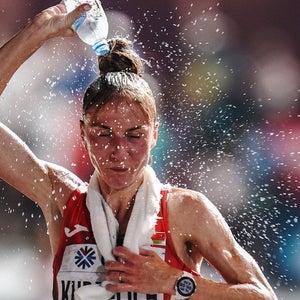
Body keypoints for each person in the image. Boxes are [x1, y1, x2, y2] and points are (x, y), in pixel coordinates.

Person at [0, 2, 278, 300]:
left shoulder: (185, 211)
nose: (119, 150)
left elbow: (263, 296)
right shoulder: (63, 198)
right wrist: (38, 30)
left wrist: (175, 281)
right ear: (82, 133)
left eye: (134, 135)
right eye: (103, 134)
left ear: (155, 134)